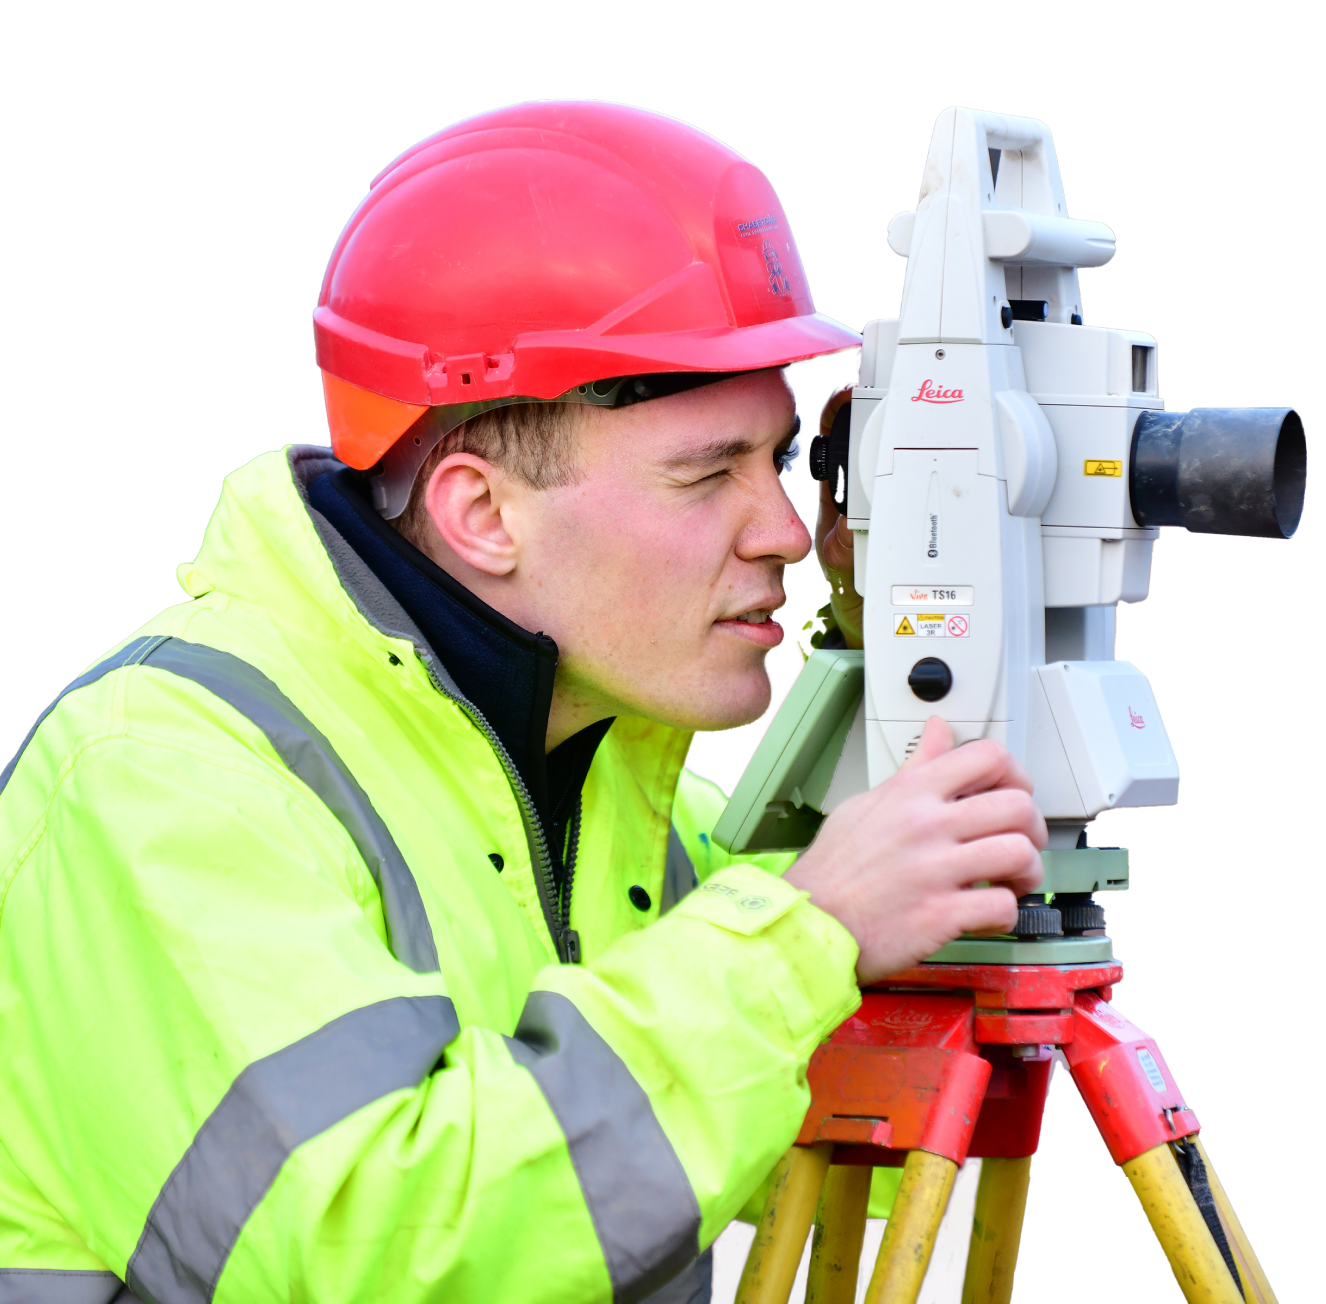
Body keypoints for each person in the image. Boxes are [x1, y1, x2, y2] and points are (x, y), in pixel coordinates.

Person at [0, 100, 1045, 1304]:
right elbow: (371, 1246)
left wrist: (913, 653)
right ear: (481, 513)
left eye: (785, 460)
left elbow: (872, 1180)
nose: (787, 535)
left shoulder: (629, 806)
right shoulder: (164, 775)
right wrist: (805, 939)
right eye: (709, 475)